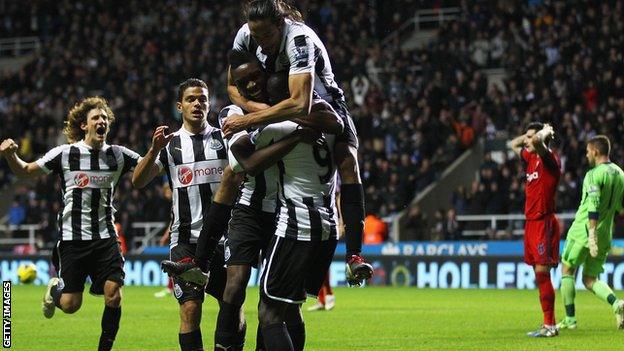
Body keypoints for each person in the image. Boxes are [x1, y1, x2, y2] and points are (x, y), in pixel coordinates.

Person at [162, 51, 343, 351]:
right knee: (234, 287)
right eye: (243, 82)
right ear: (237, 88)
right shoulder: (231, 114)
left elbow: (334, 123)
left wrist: (279, 113)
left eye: (255, 77)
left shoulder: (290, 107)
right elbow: (247, 164)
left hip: (286, 211)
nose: (252, 84)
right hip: (247, 210)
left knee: (285, 305)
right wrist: (294, 135)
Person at [221, 0, 372, 286]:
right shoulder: (245, 35)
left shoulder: (299, 39)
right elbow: (231, 86)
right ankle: (204, 256)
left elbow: (301, 103)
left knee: (348, 161)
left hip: (323, 104)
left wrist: (250, 120)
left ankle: (354, 256)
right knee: (234, 169)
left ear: (280, 25)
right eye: (256, 37)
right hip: (268, 104)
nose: (261, 43)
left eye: (266, 36)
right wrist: (255, 111)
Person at [0, 97, 141, 351]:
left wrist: (157, 149)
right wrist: (11, 156)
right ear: (84, 126)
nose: (101, 121)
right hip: (72, 239)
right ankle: (56, 289)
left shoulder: (118, 155)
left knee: (114, 293)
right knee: (70, 305)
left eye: (104, 118)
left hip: (106, 237)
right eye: (95, 118)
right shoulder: (65, 154)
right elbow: (25, 171)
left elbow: (149, 167)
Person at [132, 78, 231, 351]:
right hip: (185, 240)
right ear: (180, 106)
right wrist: (153, 149)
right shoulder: (170, 145)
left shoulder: (224, 139)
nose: (197, 103)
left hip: (224, 240)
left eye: (202, 99)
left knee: (231, 306)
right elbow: (138, 181)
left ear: (210, 104)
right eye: (191, 99)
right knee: (190, 308)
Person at [557, 135, 624, 330]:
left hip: (585, 230)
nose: (586, 154)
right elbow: (621, 208)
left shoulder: (593, 174)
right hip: (606, 234)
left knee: (567, 269)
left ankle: (570, 320)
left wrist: (591, 232)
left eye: (587, 151)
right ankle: (616, 303)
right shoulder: (620, 174)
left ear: (595, 151)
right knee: (589, 279)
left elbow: (593, 204)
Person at [508, 122, 561, 337]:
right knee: (539, 276)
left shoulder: (550, 160)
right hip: (530, 223)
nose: (526, 141)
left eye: (531, 137)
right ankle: (550, 323)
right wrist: (529, 136)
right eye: (527, 137)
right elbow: (512, 144)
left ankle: (550, 326)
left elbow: (538, 142)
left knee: (542, 274)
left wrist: (543, 133)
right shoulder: (531, 158)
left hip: (544, 223)